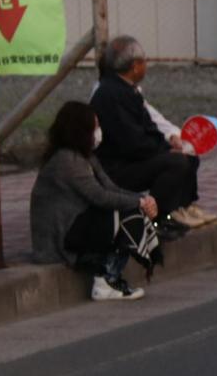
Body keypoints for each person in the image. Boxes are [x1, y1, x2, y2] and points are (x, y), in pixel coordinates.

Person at [30, 101, 160, 301]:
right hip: (59, 239)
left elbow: (111, 188)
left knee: (130, 208)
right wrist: (139, 203)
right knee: (125, 214)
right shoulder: (67, 160)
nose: (99, 132)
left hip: (77, 225)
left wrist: (143, 199)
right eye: (95, 127)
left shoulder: (85, 157)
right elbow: (100, 197)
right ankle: (106, 279)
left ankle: (109, 277)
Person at [90, 36, 206, 240]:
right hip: (116, 168)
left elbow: (150, 125)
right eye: (144, 61)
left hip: (130, 158)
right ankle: (154, 219)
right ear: (135, 66)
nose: (146, 65)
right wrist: (164, 150)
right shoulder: (110, 94)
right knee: (175, 162)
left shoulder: (125, 90)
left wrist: (170, 140)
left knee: (187, 154)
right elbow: (131, 141)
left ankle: (179, 209)